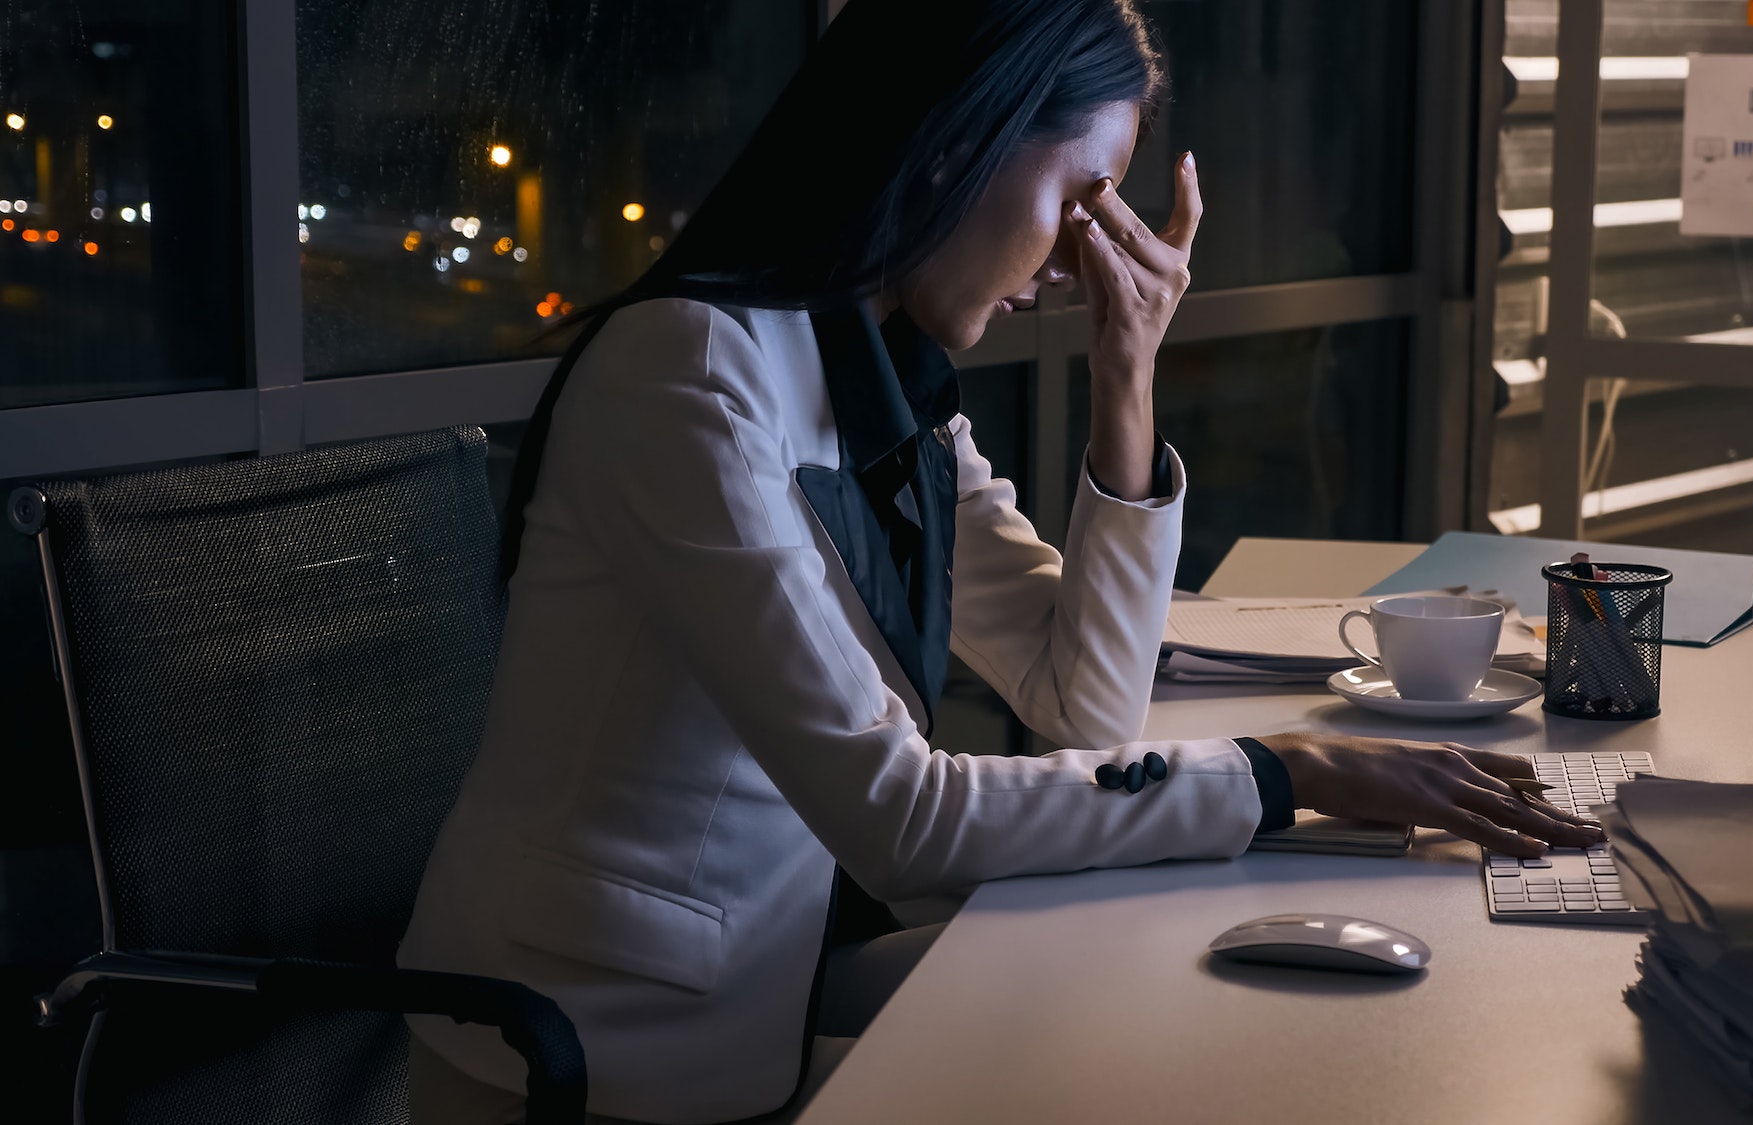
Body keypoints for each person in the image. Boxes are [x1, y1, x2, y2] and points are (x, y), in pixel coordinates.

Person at [398, 2, 1602, 1122]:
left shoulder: (878, 387)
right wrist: (1281, 772)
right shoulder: (691, 376)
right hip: (592, 1047)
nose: (1087, 256)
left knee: (1163, 998)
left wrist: (1126, 372)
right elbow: (901, 818)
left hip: (762, 979)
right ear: (952, 146)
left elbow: (1086, 710)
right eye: (1083, 196)